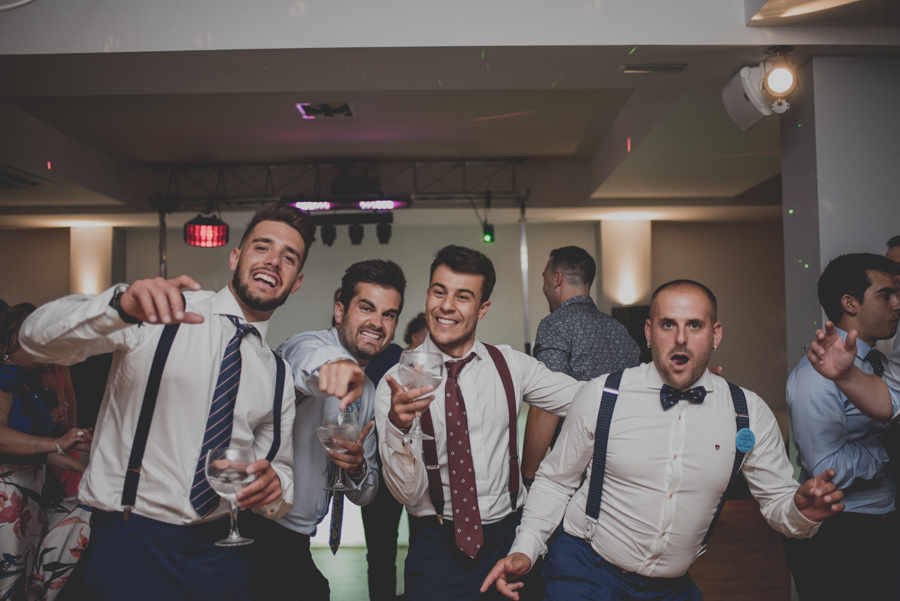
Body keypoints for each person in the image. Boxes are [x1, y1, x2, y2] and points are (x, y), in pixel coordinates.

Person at [18, 202, 311, 601]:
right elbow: (34, 338)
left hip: (225, 553)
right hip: (131, 540)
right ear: (236, 256)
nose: (274, 261)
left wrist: (275, 489)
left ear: (296, 282)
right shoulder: (159, 312)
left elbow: (280, 473)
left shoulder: (277, 373)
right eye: (262, 247)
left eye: (288, 257)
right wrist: (118, 307)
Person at [482, 279, 845, 601]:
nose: (681, 338)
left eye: (695, 325)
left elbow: (779, 504)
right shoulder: (603, 396)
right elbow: (556, 481)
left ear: (715, 334)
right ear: (649, 332)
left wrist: (801, 511)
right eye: (668, 324)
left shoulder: (747, 413)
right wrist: (526, 549)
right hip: (585, 569)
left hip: (672, 585)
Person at [374, 245, 583, 601]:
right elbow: (407, 494)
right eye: (439, 291)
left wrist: (663, 385)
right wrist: (398, 427)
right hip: (435, 546)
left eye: (463, 296)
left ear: (483, 308)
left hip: (509, 540)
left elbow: (586, 397)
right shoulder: (396, 384)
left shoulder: (512, 365)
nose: (446, 306)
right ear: (427, 295)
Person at [246, 259, 405, 601]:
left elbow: (366, 494)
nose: (377, 323)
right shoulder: (303, 346)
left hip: (297, 537)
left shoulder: (371, 392)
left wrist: (358, 466)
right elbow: (307, 362)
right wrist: (337, 366)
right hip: (257, 527)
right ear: (339, 310)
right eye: (366, 308)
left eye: (388, 314)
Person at [785, 254, 900, 601]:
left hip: (883, 522)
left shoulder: (881, 364)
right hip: (843, 533)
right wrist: (888, 449)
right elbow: (825, 469)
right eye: (886, 295)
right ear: (850, 303)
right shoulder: (813, 379)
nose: (898, 304)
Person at [522, 246, 640, 487]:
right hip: (625, 469)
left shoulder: (556, 325)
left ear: (556, 279)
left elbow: (547, 402)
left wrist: (526, 477)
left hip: (576, 475)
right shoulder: (620, 331)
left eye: (544, 280)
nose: (544, 287)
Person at [1, 302, 89, 600]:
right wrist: (56, 442)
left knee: (22, 578)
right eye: (32, 341)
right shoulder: (3, 382)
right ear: (10, 344)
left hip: (31, 493)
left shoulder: (27, 384)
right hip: (6, 499)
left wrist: (82, 466)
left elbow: (36, 446)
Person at [361, 312, 425, 601]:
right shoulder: (386, 360)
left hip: (420, 472)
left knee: (422, 546)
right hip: (379, 469)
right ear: (412, 337)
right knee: (380, 551)